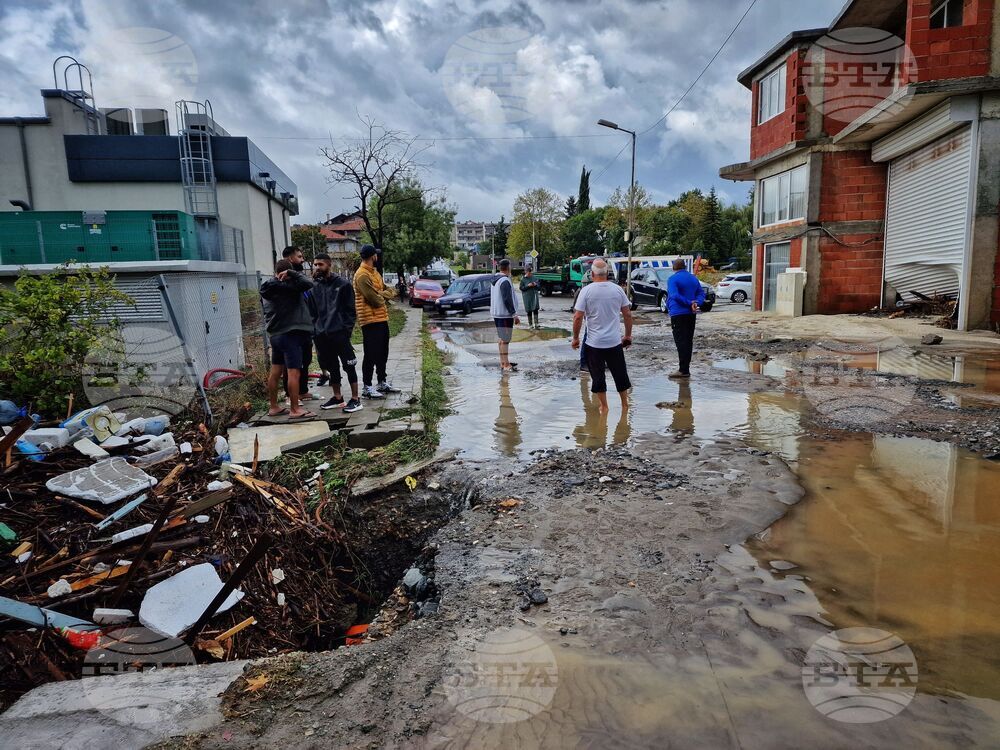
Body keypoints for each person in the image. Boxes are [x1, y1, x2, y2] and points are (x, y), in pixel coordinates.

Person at [571, 258, 633, 414]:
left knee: (598, 377)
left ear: (592, 274)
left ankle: (604, 406)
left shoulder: (586, 291)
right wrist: (628, 335)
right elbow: (627, 314)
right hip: (614, 342)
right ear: (607, 274)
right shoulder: (617, 289)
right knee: (620, 374)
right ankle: (625, 404)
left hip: (594, 343)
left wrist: (576, 338)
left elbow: (578, 316)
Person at [260, 259, 316, 419]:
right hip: (291, 335)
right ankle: (295, 409)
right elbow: (308, 283)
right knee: (294, 373)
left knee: (275, 372)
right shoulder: (289, 287)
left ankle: (273, 407)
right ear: (288, 272)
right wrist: (292, 274)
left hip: (275, 335)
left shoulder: (267, 288)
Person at [310, 253, 362, 414]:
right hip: (322, 335)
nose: (317, 267)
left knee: (349, 365)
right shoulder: (314, 287)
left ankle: (355, 399)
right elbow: (312, 311)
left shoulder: (343, 284)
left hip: (339, 333)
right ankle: (337, 397)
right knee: (332, 366)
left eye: (320, 264)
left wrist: (345, 331)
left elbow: (350, 311)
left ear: (329, 265)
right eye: (315, 264)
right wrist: (316, 330)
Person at [353, 245, 399, 398]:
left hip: (381, 318)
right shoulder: (362, 275)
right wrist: (383, 294)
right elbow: (376, 300)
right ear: (373, 256)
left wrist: (382, 293)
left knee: (382, 352)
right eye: (376, 255)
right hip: (369, 319)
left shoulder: (375, 273)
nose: (377, 257)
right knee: (371, 354)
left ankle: (381, 381)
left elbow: (390, 290)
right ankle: (367, 386)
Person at [280, 245, 316, 401]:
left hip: (305, 326)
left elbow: (309, 287)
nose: (302, 260)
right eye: (299, 257)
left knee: (306, 359)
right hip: (291, 328)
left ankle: (303, 390)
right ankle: (291, 396)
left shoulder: (298, 279)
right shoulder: (283, 283)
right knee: (292, 364)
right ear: (290, 259)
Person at [666, 259, 706, 379]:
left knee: (681, 342)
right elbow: (701, 293)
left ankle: (683, 370)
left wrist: (689, 303)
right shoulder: (693, 278)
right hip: (691, 314)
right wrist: (696, 303)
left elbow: (674, 295)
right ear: (685, 267)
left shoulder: (673, 279)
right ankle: (685, 369)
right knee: (688, 341)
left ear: (674, 268)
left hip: (678, 313)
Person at [490, 258, 520, 372]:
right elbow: (507, 299)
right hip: (505, 315)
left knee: (502, 339)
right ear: (508, 267)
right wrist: (514, 314)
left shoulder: (495, 280)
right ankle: (506, 364)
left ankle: (503, 362)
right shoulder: (504, 281)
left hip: (497, 314)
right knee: (505, 340)